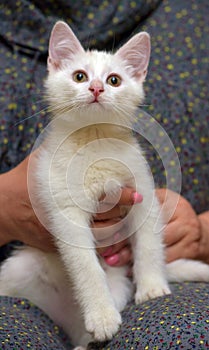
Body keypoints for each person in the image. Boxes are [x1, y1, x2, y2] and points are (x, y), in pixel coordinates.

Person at [0, 0, 209, 349]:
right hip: (43, 278)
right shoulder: (57, 153)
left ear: (138, 78)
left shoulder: (128, 153)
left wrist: (152, 274)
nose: (96, 88)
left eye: (113, 80)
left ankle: (89, 337)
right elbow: (70, 227)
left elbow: (144, 215)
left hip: (116, 274)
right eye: (80, 76)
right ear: (55, 67)